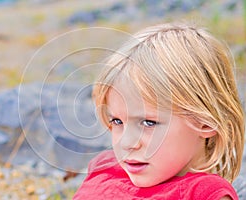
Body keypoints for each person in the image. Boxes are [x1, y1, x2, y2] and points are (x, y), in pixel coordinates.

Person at [73, 22, 245, 199]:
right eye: (117, 121)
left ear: (205, 121)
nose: (127, 143)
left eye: (148, 122)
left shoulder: (203, 192)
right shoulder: (104, 168)